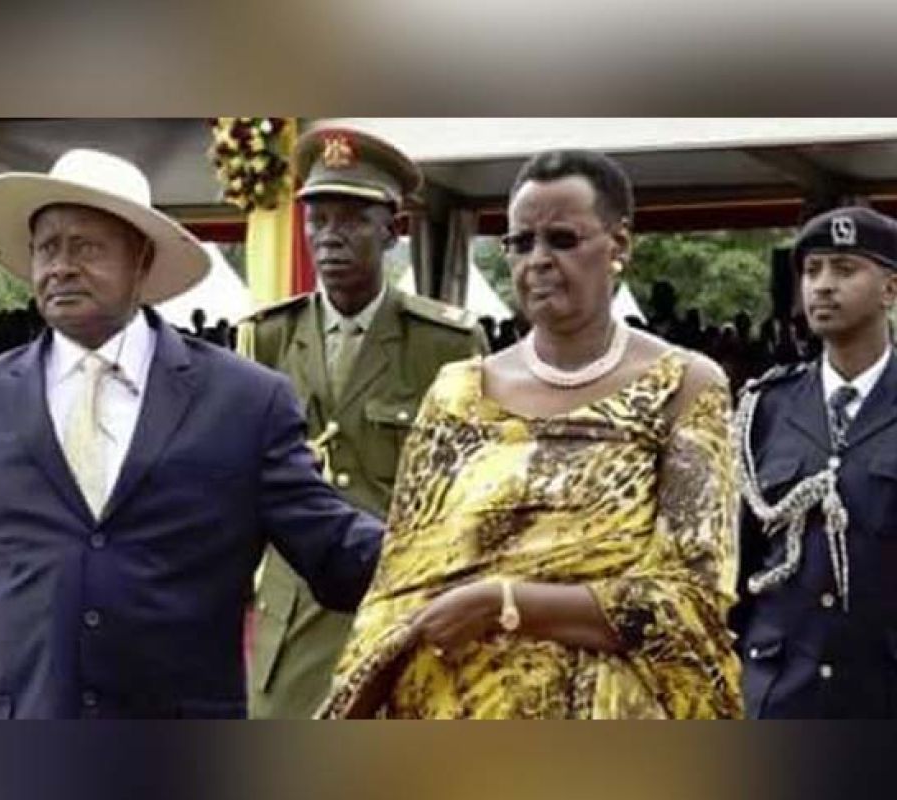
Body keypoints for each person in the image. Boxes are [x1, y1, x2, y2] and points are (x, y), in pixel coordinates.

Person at [0, 149, 382, 720]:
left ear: (142, 260)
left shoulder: (245, 402)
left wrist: (457, 555)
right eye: (47, 248)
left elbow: (334, 550)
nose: (61, 267)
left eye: (85, 247)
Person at [320, 149, 742, 719]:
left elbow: (689, 601)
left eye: (562, 240)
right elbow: (399, 584)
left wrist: (506, 603)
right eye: (520, 243)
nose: (538, 260)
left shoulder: (685, 387)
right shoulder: (457, 394)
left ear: (619, 245)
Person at [240, 125, 488, 719]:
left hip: (404, 604)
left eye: (352, 219)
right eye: (318, 219)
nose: (330, 236)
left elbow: (475, 490)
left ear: (392, 230)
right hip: (294, 615)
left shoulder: (445, 343)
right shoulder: (268, 337)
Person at [734, 207, 897, 718]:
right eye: (812, 270)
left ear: (890, 290)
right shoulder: (765, 407)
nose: (823, 285)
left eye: (845, 270)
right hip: (781, 690)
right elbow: (739, 559)